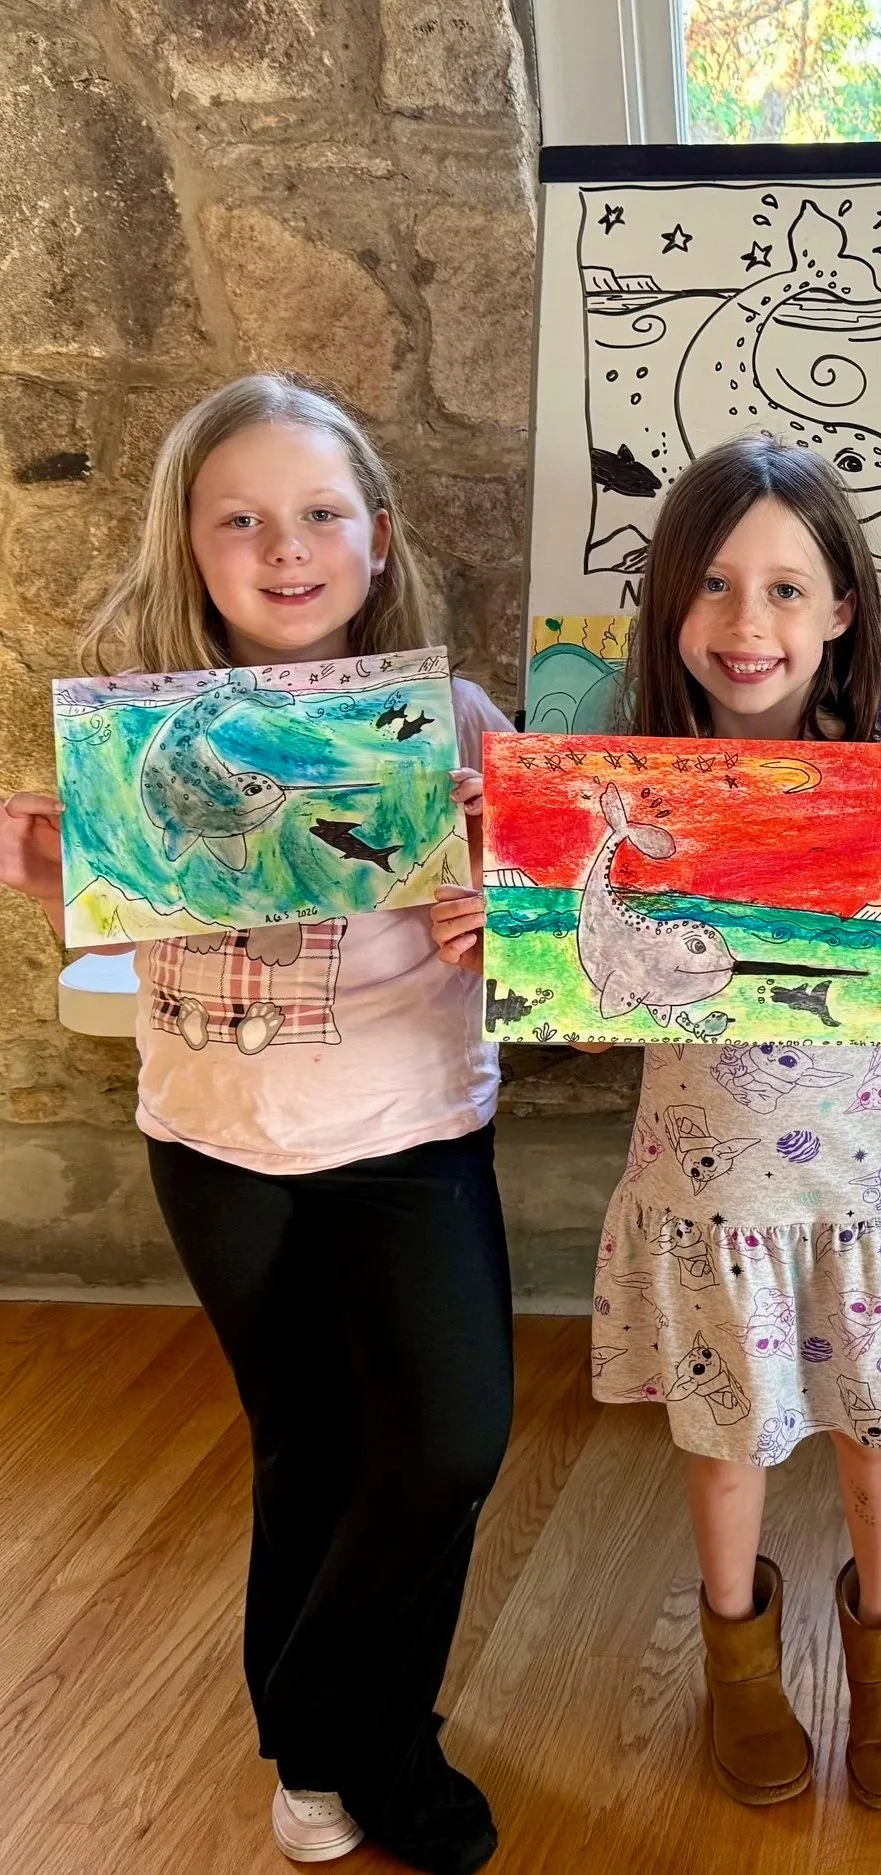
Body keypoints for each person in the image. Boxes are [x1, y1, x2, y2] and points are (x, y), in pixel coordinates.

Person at [434, 435, 881, 1812]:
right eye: (716, 586)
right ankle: (737, 1660)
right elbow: (588, 1003)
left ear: (842, 608)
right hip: (707, 1191)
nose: (751, 624)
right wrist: (510, 938)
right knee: (726, 1439)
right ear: (670, 606)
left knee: (879, 1432)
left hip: (865, 1182)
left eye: (788, 589)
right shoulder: (620, 791)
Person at [0, 376, 514, 1872]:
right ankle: (350, 1757)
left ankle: (313, 1702)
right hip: (218, 1144)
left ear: (377, 537)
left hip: (413, 1131)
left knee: (446, 1444)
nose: (284, 548)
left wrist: (509, 909)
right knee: (307, 1444)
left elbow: (545, 935)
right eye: (240, 521)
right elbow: (115, 928)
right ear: (190, 544)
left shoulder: (452, 720)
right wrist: (55, 876)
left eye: (318, 514)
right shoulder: (139, 730)